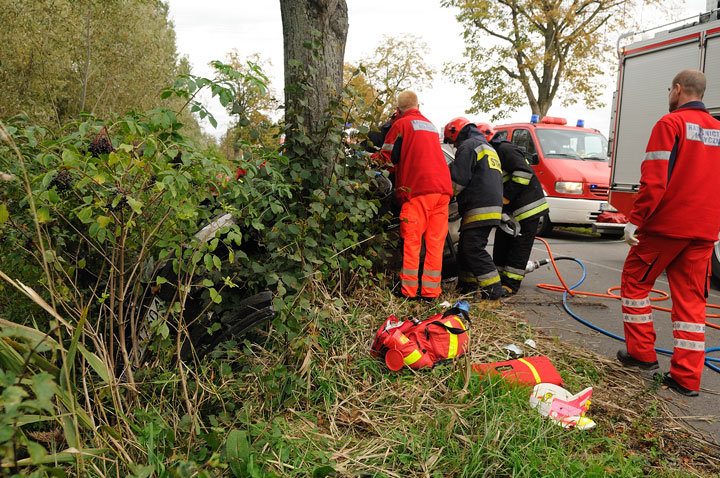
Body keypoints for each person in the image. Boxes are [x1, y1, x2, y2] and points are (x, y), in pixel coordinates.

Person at [617, 69, 720, 397]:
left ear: (678, 90)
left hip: (667, 227)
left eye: (669, 89)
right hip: (704, 231)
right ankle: (687, 379)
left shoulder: (669, 124)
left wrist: (635, 220)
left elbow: (655, 180)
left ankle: (641, 355)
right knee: (692, 303)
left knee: (635, 283)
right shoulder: (718, 130)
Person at [378, 91, 452, 299]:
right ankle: (430, 292)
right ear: (418, 106)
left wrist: (365, 158)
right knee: (435, 243)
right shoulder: (430, 126)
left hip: (418, 190)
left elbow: (386, 159)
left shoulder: (400, 125)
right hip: (442, 190)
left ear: (397, 110)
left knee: (412, 241)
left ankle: (408, 291)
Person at [479, 122, 549, 295]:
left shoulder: (505, 150)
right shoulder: (494, 151)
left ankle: (510, 285)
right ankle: (499, 281)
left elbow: (524, 173)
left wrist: (507, 195)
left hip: (527, 208)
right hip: (512, 210)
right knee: (502, 244)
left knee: (519, 247)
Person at [443, 117, 504, 300]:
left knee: (473, 249)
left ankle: (493, 295)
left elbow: (458, 181)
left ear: (455, 133)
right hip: (490, 204)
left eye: (452, 142)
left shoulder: (468, 146)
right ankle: (466, 288)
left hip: (478, 206)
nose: (454, 146)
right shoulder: (487, 147)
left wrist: (445, 196)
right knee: (465, 248)